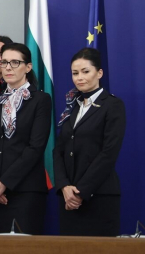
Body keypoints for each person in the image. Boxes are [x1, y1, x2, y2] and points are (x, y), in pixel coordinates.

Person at [0, 43, 51, 235]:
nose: (8, 67)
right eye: (4, 62)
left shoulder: (40, 100)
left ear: (28, 67)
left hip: (26, 190)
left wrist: (4, 183)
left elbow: (35, 147)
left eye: (15, 62)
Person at [54, 48, 125, 237]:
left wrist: (80, 191)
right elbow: (58, 151)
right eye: (75, 73)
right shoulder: (72, 106)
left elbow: (109, 153)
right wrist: (64, 186)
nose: (79, 77)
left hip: (98, 197)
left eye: (86, 71)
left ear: (99, 73)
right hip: (68, 198)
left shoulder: (112, 105)